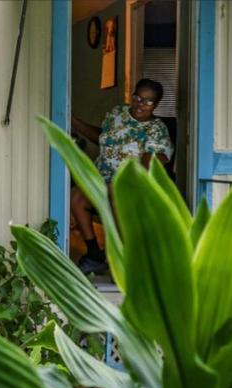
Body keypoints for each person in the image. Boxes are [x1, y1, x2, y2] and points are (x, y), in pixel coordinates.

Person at [69, 78, 173, 275]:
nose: (140, 104)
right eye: (138, 97)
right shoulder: (117, 114)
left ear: (156, 105)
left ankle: (123, 260)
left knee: (118, 196)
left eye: (148, 101)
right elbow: (102, 137)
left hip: (130, 185)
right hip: (101, 179)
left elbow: (149, 163)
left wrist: (122, 183)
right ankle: (95, 255)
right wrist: (75, 123)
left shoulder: (156, 130)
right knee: (76, 197)